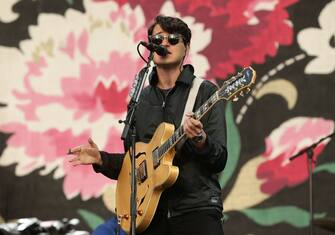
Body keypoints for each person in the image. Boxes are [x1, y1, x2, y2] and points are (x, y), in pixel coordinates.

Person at [69, 15, 228, 235]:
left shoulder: (205, 92)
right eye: (158, 39)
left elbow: (219, 159)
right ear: (151, 47)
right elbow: (136, 166)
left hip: (196, 210)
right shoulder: (140, 99)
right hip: (151, 215)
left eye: (173, 39)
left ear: (186, 48)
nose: (165, 43)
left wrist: (200, 139)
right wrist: (101, 159)